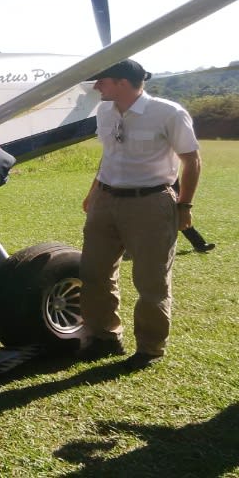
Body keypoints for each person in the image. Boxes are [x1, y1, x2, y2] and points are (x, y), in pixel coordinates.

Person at [78, 59, 202, 370]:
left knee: (151, 281)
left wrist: (184, 205)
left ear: (121, 81)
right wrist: (94, 192)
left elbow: (192, 161)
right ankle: (106, 336)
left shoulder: (169, 112)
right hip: (106, 199)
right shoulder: (105, 110)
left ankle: (149, 348)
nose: (96, 87)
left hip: (149, 202)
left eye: (101, 80)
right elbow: (110, 154)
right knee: (94, 273)